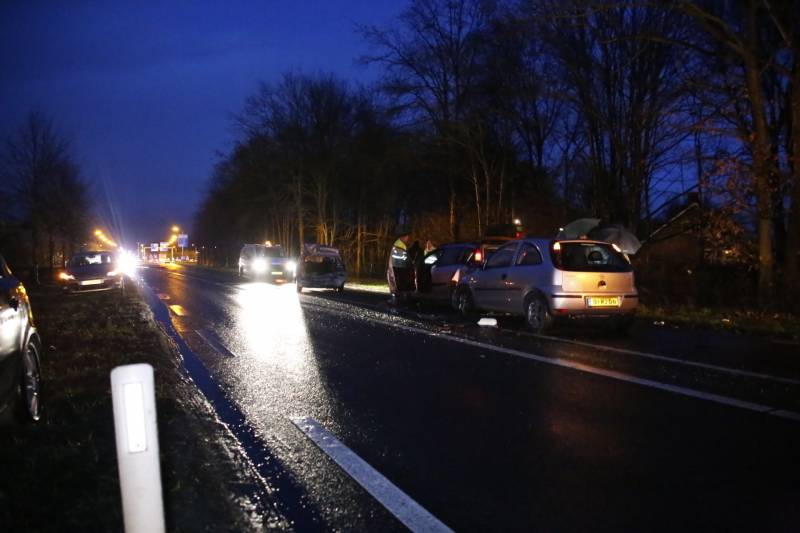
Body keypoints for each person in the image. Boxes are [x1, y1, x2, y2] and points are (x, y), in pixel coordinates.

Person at [387, 232, 413, 304]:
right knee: (395, 283)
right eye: (407, 237)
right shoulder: (399, 245)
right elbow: (401, 256)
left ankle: (398, 299)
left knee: (397, 283)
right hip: (397, 267)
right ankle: (395, 299)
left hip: (397, 267)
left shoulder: (400, 244)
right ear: (403, 237)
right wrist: (408, 262)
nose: (408, 239)